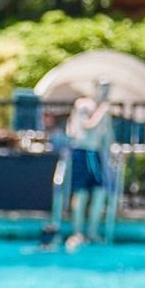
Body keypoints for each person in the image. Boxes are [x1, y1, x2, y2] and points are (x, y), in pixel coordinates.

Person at [54, 82, 114, 249]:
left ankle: (92, 232)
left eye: (108, 88)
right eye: (103, 87)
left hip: (95, 155)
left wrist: (112, 153)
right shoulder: (83, 105)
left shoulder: (103, 110)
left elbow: (107, 136)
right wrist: (103, 111)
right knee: (81, 195)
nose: (106, 91)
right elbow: (87, 127)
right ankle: (77, 232)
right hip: (82, 153)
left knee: (100, 193)